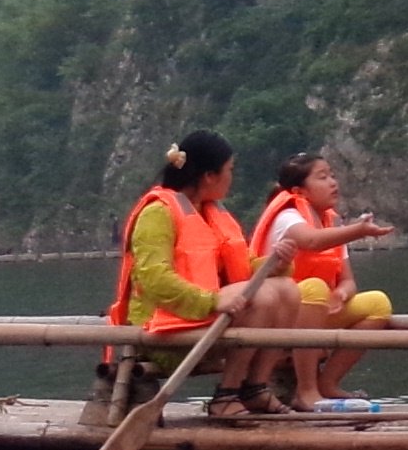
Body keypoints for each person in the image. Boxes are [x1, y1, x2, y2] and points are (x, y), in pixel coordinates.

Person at [104, 130, 303, 418]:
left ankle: (255, 387)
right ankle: (226, 396)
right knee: (260, 296)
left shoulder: (210, 212)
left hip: (205, 318)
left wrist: (276, 262)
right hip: (164, 328)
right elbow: (153, 278)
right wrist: (211, 302)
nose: (231, 177)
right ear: (210, 176)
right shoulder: (158, 212)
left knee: (286, 288)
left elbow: (242, 270)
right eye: (229, 170)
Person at [254, 152, 398, 411]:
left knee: (378, 303)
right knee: (314, 287)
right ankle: (305, 391)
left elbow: (348, 281)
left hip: (315, 312)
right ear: (300, 191)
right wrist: (359, 230)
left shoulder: (329, 222)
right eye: (323, 177)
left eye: (332, 175)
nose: (333, 182)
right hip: (278, 319)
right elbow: (310, 241)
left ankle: (327, 384)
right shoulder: (287, 216)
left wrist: (341, 294)